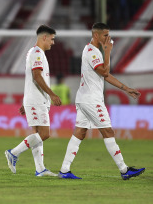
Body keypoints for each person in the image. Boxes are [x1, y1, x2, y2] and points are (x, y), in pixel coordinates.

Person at [58, 22, 145, 180]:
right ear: (96, 35)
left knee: (79, 133)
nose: (108, 38)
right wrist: (108, 52)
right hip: (92, 100)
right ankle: (124, 170)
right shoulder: (92, 52)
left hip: (85, 99)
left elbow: (106, 75)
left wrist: (125, 88)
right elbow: (105, 72)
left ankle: (64, 170)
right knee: (108, 132)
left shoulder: (92, 50)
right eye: (105, 35)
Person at [5, 25, 62, 177]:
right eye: (52, 39)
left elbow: (30, 78)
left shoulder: (34, 52)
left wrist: (25, 101)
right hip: (37, 100)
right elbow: (36, 76)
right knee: (45, 133)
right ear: (44, 37)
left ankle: (40, 169)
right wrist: (52, 94)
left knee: (37, 134)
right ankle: (14, 153)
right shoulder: (37, 53)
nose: (53, 43)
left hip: (33, 99)